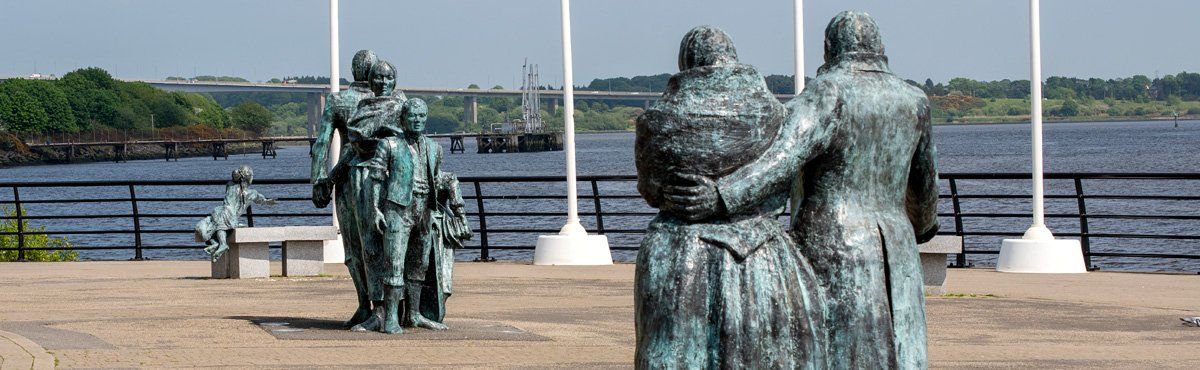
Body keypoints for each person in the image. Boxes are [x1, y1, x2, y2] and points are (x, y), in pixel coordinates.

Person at [665, 12, 940, 369]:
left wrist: (721, 194)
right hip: (899, 245)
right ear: (879, 48)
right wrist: (916, 227)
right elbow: (925, 191)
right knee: (903, 350)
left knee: (841, 350)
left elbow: (781, 157)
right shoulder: (914, 99)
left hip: (835, 242)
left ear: (829, 49)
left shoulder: (829, 93)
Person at [632, 26, 826, 369]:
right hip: (759, 249)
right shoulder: (775, 115)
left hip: (679, 250)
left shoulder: (656, 120)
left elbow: (651, 189)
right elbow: (782, 179)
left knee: (674, 353)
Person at [311, 49, 377, 328]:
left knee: (352, 244)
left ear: (353, 72)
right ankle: (388, 306)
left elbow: (321, 143)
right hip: (380, 175)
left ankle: (365, 304)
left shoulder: (339, 101)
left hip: (347, 178)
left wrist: (318, 180)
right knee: (380, 242)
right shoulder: (387, 100)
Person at [196, 165, 276, 262]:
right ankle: (221, 244)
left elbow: (234, 176)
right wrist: (267, 201)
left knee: (206, 226)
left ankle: (218, 243)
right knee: (211, 226)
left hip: (220, 212)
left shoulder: (230, 185)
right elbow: (260, 199)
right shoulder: (252, 193)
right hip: (228, 215)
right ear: (249, 178)